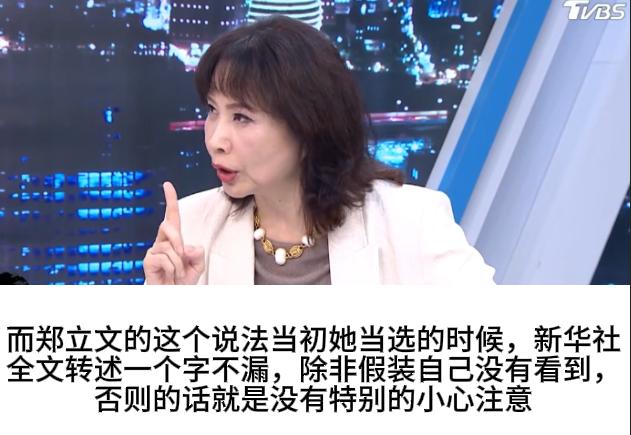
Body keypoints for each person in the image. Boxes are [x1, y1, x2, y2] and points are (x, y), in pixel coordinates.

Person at [143, 15, 495, 285]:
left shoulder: (411, 222)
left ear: (306, 124)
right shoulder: (191, 227)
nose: (215, 139)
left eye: (242, 117)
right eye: (212, 110)